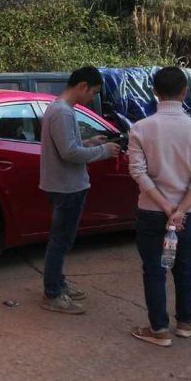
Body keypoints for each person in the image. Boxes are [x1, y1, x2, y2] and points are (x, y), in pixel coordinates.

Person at [128, 67, 191, 347]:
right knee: (184, 266)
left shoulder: (141, 128)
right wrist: (179, 210)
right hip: (186, 214)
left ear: (154, 91)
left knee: (154, 269)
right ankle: (186, 323)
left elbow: (139, 173)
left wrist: (165, 206)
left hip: (151, 211)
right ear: (185, 92)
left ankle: (159, 329)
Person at [40, 66, 121, 314]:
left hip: (64, 184)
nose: (92, 98)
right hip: (67, 187)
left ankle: (58, 284)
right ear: (82, 86)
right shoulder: (63, 113)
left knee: (62, 240)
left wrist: (89, 142)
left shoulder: (58, 109)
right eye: (93, 92)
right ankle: (52, 293)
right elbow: (69, 153)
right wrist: (104, 151)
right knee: (60, 241)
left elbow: (68, 146)